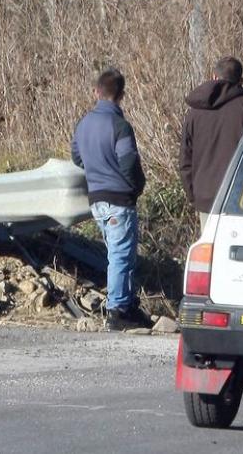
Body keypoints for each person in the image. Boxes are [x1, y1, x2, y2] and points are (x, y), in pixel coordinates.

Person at [71, 68, 152, 331]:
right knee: (121, 256)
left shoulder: (83, 124)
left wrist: (97, 170)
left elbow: (77, 157)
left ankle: (125, 304)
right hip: (118, 199)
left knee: (116, 254)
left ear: (96, 91)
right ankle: (118, 310)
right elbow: (129, 163)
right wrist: (137, 187)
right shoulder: (119, 125)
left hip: (96, 199)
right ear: (122, 95)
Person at [179, 56, 243, 230]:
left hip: (206, 197)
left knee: (210, 253)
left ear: (214, 77)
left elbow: (185, 160)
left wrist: (194, 195)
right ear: (241, 81)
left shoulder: (195, 113)